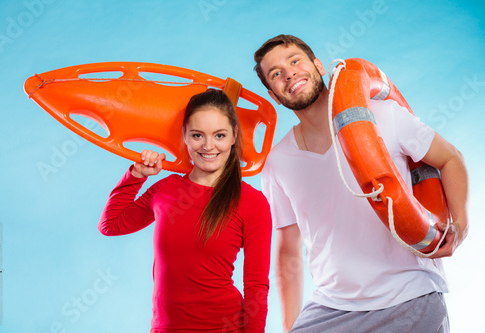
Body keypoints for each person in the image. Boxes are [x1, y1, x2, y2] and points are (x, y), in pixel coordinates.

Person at [253, 35, 468, 332]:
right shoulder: (278, 163)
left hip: (408, 294)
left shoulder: (385, 117)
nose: (289, 73)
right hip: (333, 305)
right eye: (275, 73)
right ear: (273, 95)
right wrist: (291, 327)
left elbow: (451, 158)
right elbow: (287, 250)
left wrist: (461, 222)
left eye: (294, 61)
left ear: (318, 65)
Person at [98, 89, 272, 332]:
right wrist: (136, 175)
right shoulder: (165, 190)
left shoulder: (252, 202)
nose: (208, 146)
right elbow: (111, 225)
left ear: (234, 136)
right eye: (198, 135)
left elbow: (256, 286)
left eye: (219, 135)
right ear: (185, 137)